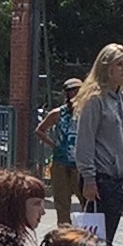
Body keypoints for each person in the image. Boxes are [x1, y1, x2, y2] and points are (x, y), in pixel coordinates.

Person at [72, 43, 123, 234]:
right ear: (106, 67)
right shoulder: (94, 99)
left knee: (108, 236)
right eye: (119, 64)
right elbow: (84, 141)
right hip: (100, 179)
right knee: (95, 238)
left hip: (121, 178)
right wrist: (89, 178)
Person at [40, 78, 82, 227]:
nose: (74, 93)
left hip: (81, 163)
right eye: (71, 90)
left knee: (86, 201)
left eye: (77, 90)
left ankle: (87, 231)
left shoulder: (87, 112)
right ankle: (64, 232)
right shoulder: (58, 113)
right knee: (62, 202)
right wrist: (53, 145)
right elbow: (40, 130)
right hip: (60, 163)